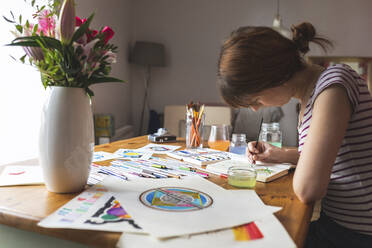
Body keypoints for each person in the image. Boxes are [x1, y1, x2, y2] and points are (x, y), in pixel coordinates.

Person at [217, 22, 372, 247]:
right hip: (337, 223)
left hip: (359, 233)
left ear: (273, 76)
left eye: (255, 100)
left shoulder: (333, 87)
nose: (255, 109)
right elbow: (333, 158)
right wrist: (280, 154)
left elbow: (309, 189)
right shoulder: (310, 96)